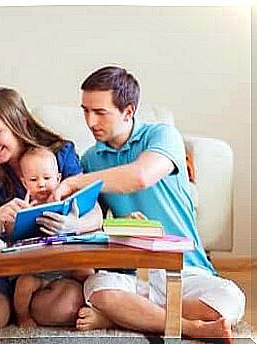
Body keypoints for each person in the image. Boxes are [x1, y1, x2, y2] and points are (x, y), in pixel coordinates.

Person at [50, 66, 245, 340]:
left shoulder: (162, 136)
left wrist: (72, 183)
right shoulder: (91, 159)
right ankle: (189, 326)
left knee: (230, 300)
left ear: (128, 112)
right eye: (85, 110)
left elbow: (140, 176)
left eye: (100, 112)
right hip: (134, 279)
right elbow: (94, 222)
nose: (90, 121)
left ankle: (128, 316)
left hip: (185, 268)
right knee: (96, 287)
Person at [0, 87, 101, 331]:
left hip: (49, 267)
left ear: (20, 123)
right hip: (2, 266)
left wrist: (75, 225)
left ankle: (17, 305)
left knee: (67, 308)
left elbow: (94, 212)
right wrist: (0, 215)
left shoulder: (59, 154)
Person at [14, 146, 97, 327]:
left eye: (47, 178)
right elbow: (14, 236)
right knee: (24, 285)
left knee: (88, 272)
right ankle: (23, 317)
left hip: (66, 265)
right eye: (34, 180)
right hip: (39, 271)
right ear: (24, 183)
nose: (41, 184)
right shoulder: (24, 208)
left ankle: (96, 308)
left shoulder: (65, 204)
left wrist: (75, 223)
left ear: (58, 179)